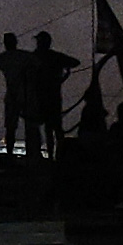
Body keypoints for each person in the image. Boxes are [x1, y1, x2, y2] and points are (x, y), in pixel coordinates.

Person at [31, 31, 80, 160]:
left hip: (40, 98)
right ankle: (59, 156)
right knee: (56, 128)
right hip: (52, 97)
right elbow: (75, 62)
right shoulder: (55, 57)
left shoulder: (34, 58)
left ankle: (52, 156)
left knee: (47, 129)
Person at [0, 32, 38, 156]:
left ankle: (12, 154)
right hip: (23, 95)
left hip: (15, 95)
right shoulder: (23, 56)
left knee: (12, 127)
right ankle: (31, 154)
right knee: (25, 126)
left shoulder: (3, 58)